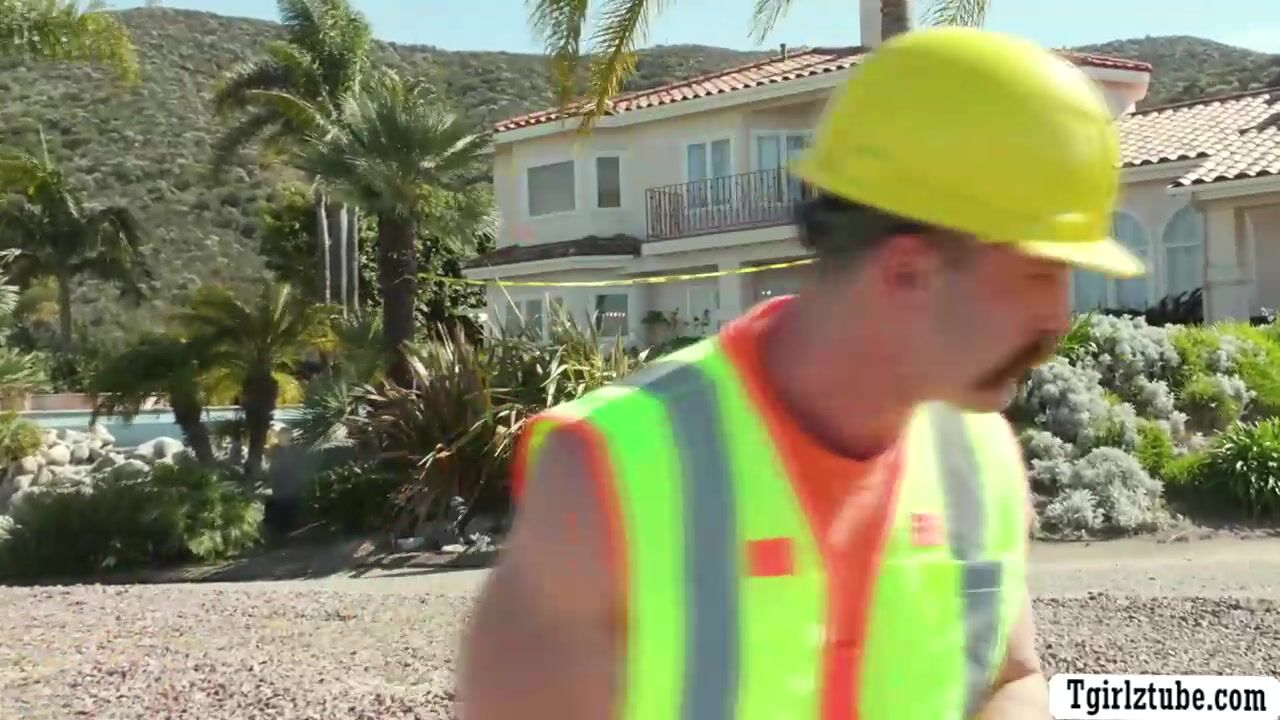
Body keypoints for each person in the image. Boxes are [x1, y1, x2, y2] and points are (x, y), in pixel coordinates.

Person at [458, 26, 1144, 720]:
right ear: (908, 272)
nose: (1059, 318)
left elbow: (1010, 678)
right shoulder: (604, 472)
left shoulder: (982, 460)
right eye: (1039, 274)